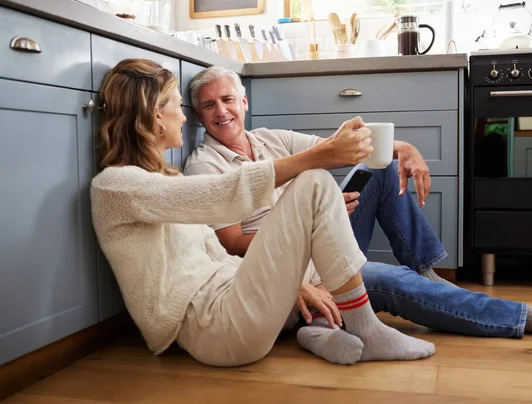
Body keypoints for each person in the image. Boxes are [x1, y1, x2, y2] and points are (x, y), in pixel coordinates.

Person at [182, 66, 532, 363]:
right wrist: (305, 233)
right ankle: (523, 317)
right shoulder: (204, 166)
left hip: (324, 245)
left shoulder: (269, 139)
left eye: (227, 99)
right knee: (397, 283)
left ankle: (416, 277)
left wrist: (404, 148)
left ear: (244, 101)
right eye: (209, 105)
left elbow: (341, 148)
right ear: (199, 116)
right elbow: (228, 243)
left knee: (384, 167)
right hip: (287, 271)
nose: (221, 111)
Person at [90, 58, 437, 368]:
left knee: (324, 187)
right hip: (215, 328)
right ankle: (365, 328)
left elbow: (214, 256)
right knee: (315, 183)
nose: (184, 116)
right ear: (155, 114)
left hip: (238, 301)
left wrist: (294, 282)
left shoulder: (162, 178)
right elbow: (224, 199)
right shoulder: (117, 186)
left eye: (226, 101)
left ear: (243, 102)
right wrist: (317, 160)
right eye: (181, 107)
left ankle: (318, 327)